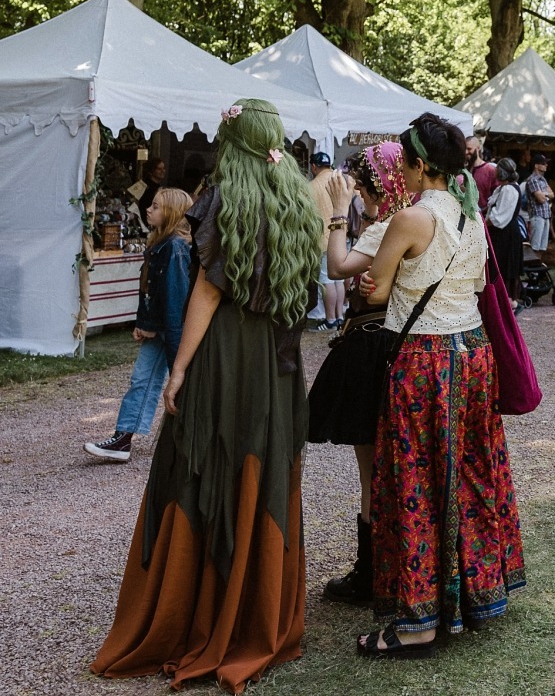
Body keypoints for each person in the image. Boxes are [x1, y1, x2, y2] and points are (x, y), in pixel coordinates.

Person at [92, 99, 322, 692]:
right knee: (261, 463)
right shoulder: (299, 200)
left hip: (226, 356)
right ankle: (254, 605)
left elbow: (209, 292)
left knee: (204, 462)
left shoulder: (222, 197)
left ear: (230, 140)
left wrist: (179, 368)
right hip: (278, 363)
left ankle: (197, 609)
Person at [355, 112, 525, 656]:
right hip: (472, 352)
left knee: (417, 480)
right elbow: (475, 282)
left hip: (425, 358)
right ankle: (476, 594)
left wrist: (374, 280)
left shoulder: (412, 218)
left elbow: (374, 293)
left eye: (403, 162)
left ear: (421, 165)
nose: (399, 172)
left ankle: (420, 621)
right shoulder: (470, 216)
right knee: (471, 470)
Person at [307, 142, 411, 603]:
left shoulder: (384, 227)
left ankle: (370, 575)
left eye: (367, 188)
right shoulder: (414, 220)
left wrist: (335, 215)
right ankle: (384, 568)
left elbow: (335, 265)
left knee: (372, 471)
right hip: (397, 345)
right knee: (387, 466)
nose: (363, 197)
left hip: (372, 347)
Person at [84, 187, 194, 463]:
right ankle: (123, 439)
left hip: (172, 330)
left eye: (156, 206)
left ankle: (193, 439)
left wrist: (154, 325)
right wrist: (144, 323)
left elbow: (174, 298)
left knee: (182, 384)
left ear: (171, 213)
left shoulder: (175, 248)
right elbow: (150, 291)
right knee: (142, 381)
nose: (149, 209)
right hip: (161, 329)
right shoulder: (163, 244)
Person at [309, 150, 347, 330]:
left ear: (314, 167)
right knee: (339, 279)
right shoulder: (342, 180)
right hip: (343, 236)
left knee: (327, 279)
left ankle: (330, 319)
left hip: (323, 239)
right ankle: (339, 315)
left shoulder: (311, 186)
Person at [486, 157, 525, 305]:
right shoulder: (502, 188)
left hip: (506, 234)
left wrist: (483, 224)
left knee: (505, 267)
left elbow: (498, 217)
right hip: (501, 234)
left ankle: (508, 300)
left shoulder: (509, 189)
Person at [524, 154, 553, 252]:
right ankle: (533, 265)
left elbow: (552, 194)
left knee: (542, 248)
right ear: (536, 165)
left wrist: (543, 194)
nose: (546, 165)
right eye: (543, 163)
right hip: (537, 215)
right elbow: (540, 199)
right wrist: (545, 194)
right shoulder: (532, 179)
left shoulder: (543, 179)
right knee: (535, 246)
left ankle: (538, 266)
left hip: (545, 215)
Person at [466, 135, 498, 212]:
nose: (466, 152)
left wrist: (483, 211)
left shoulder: (490, 170)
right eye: (464, 149)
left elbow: (497, 196)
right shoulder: (465, 170)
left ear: (478, 148)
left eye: (469, 149)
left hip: (483, 217)